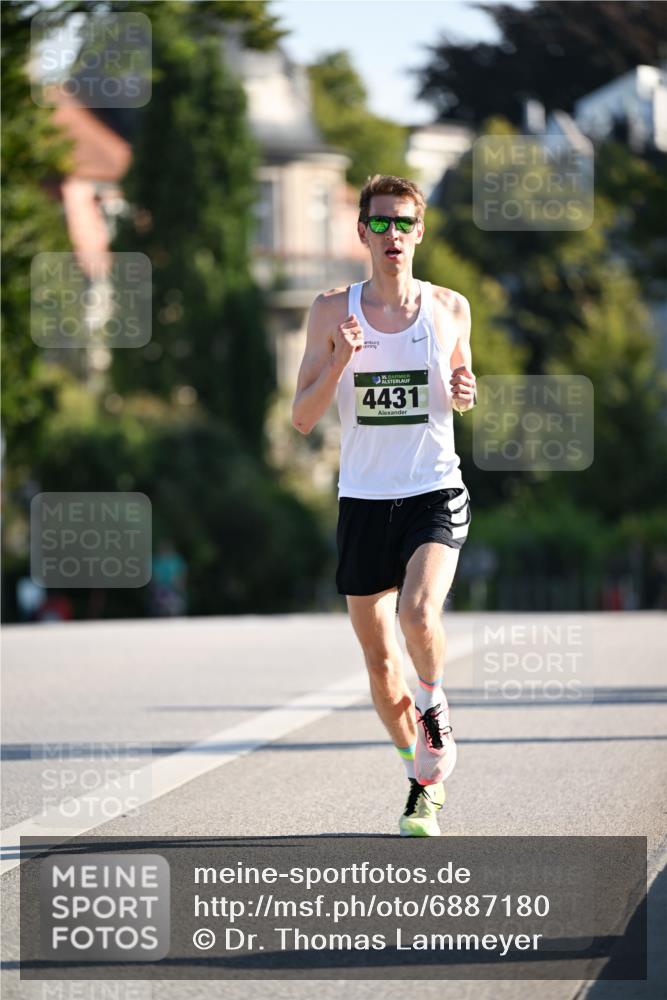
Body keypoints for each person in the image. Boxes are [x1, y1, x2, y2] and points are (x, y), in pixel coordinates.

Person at [292, 174, 476, 836]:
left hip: (431, 487)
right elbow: (302, 417)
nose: (391, 235)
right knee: (378, 663)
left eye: (403, 223)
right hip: (364, 501)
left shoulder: (448, 307)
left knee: (419, 613)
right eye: (380, 224)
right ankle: (420, 779)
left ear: (419, 232)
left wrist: (463, 389)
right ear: (362, 233)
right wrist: (340, 357)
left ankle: (434, 706)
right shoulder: (327, 310)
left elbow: (460, 390)